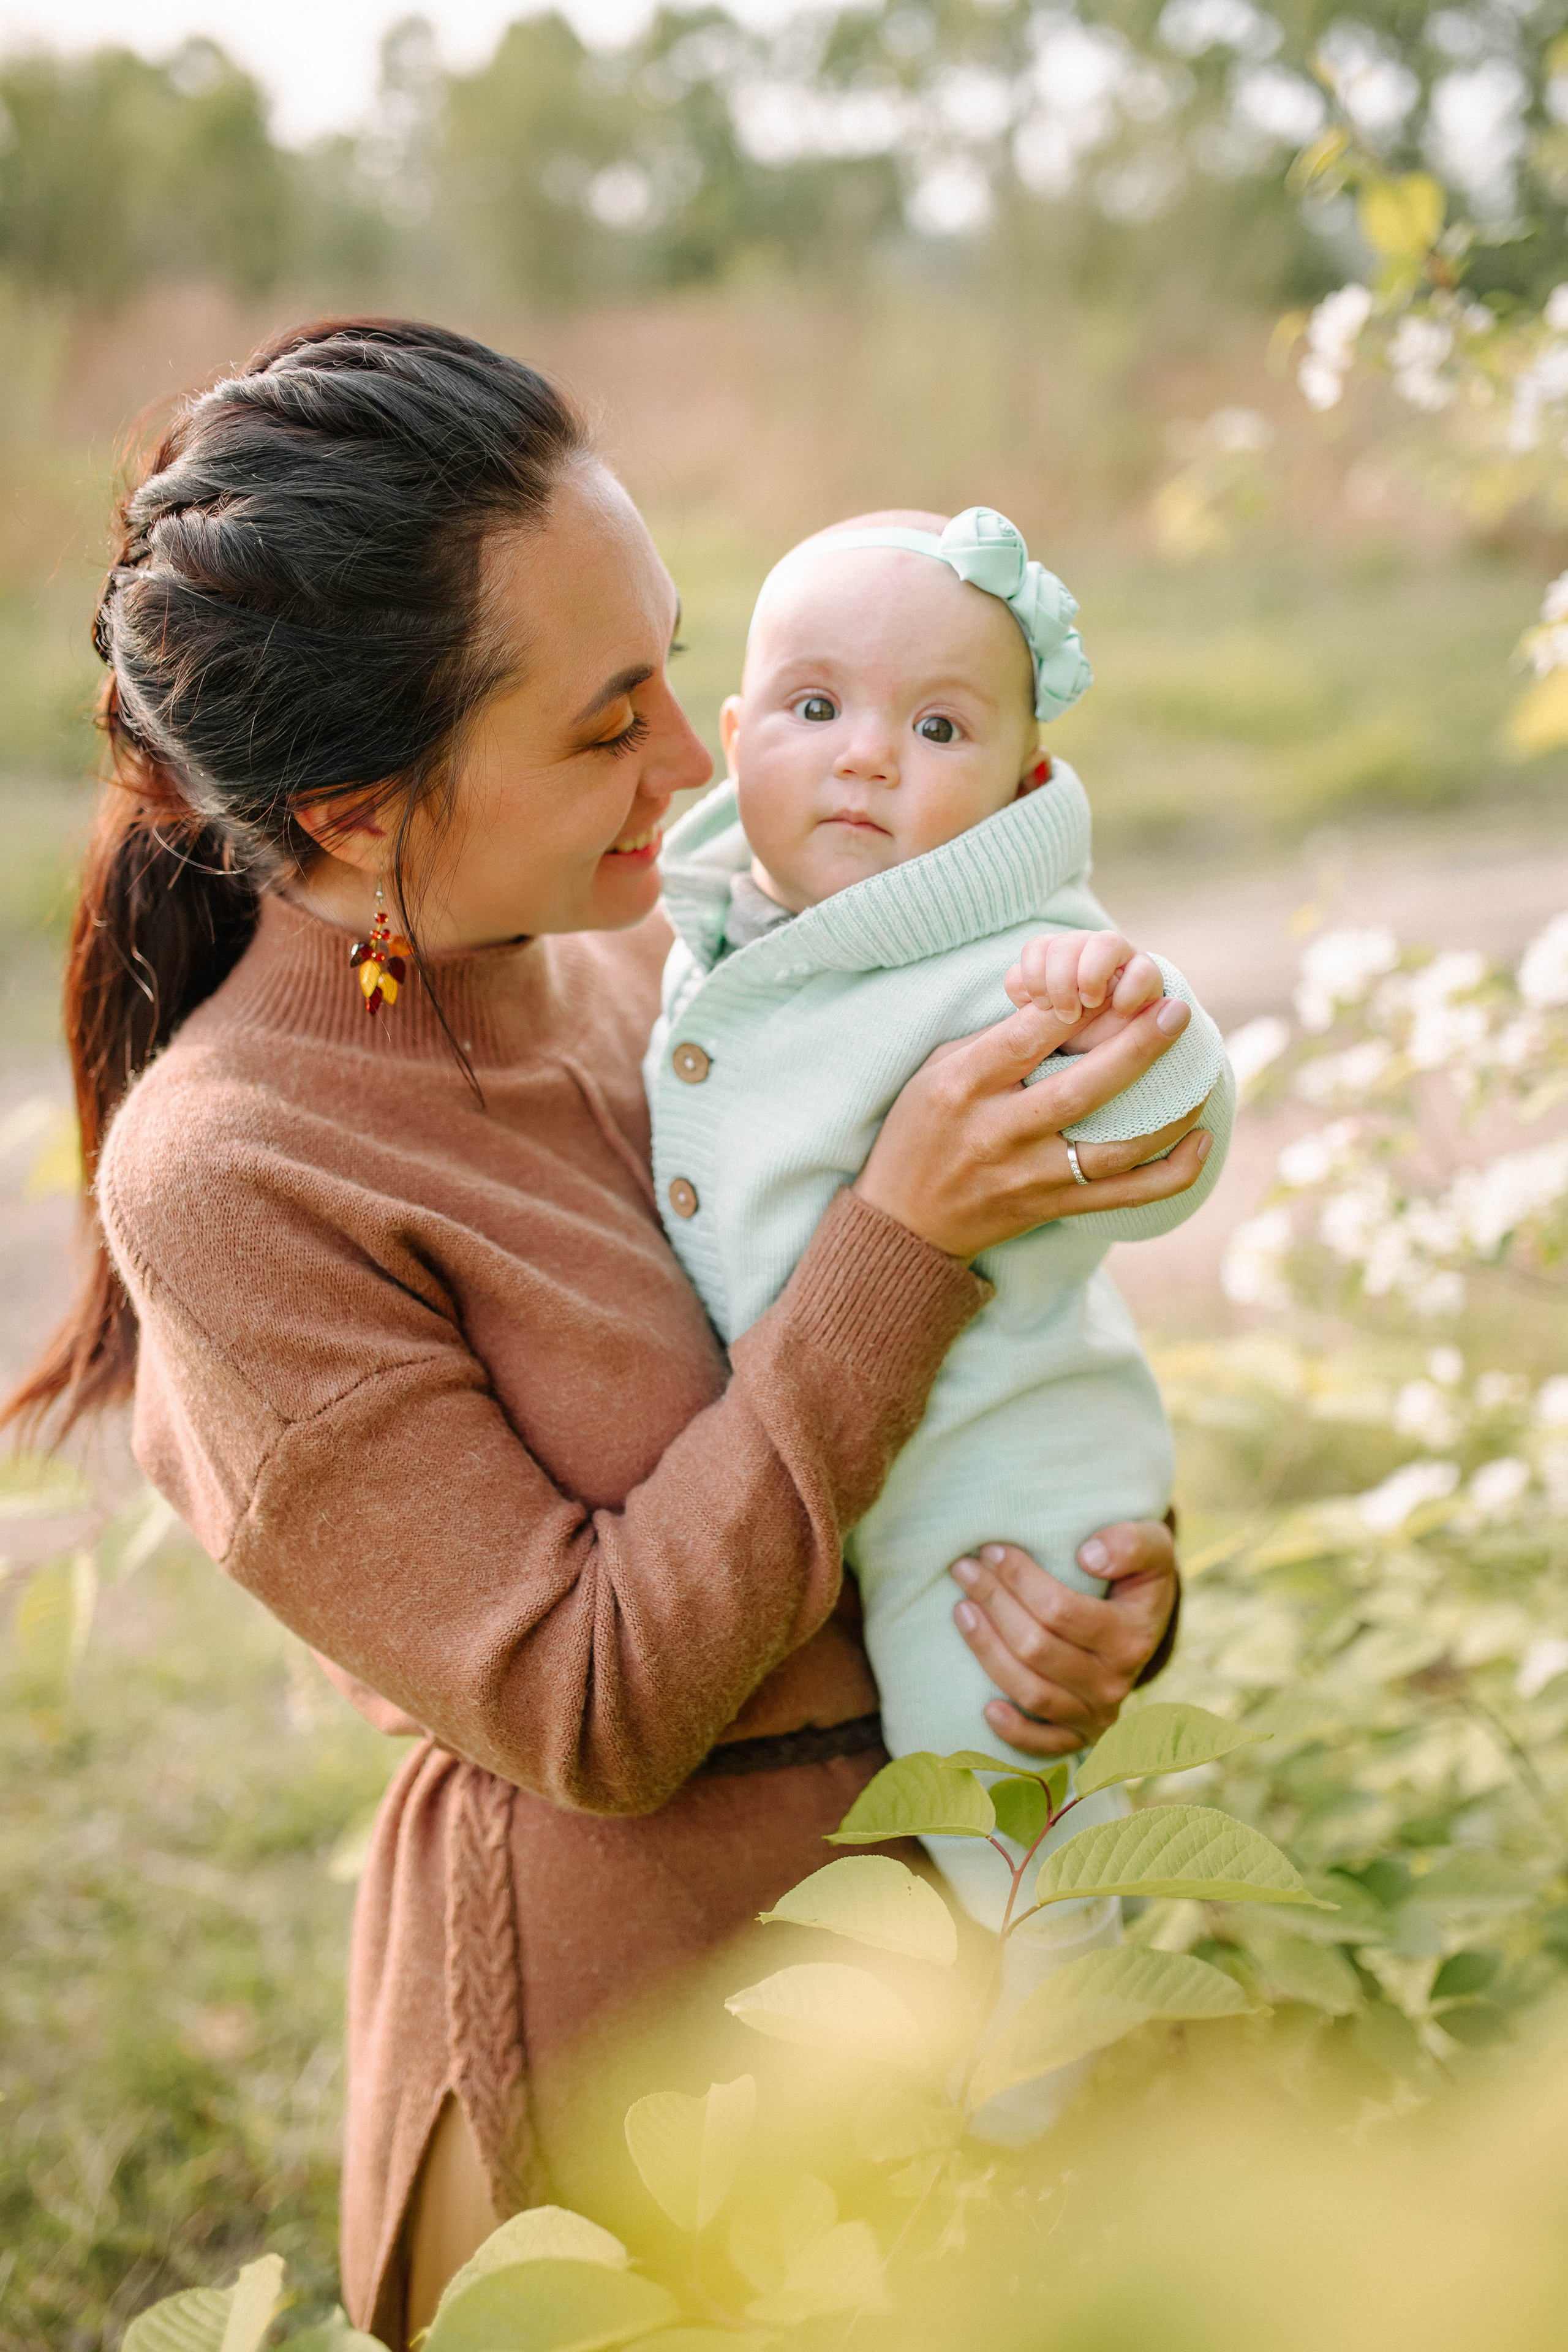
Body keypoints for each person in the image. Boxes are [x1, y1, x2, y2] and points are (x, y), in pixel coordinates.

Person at [7, 322, 1204, 2348]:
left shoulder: (673, 950)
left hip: (946, 1957)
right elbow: (592, 1705)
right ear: (361, 810)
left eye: (673, 665)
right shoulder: (234, 1172)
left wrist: (1089, 1594)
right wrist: (903, 1234)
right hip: (647, 2070)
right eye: (601, 725)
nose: (693, 762)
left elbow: (978, 1375)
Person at [645, 507, 1231, 2136]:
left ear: (1023, 784)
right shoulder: (720, 929)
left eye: (940, 728)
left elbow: (1169, 1143)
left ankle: (1047, 2096)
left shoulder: (1015, 961)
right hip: (857, 1462)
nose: (866, 757)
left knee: (994, 1780)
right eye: (815, 707)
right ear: (739, 735)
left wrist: (1143, 1029)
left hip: (996, 1484)